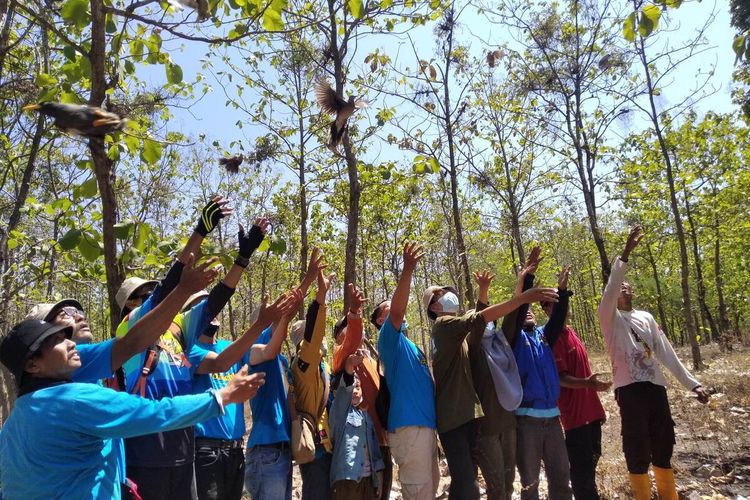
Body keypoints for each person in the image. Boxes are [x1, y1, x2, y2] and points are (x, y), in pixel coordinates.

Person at [0, 318, 266, 500]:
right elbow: (156, 412)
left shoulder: (12, 424)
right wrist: (223, 396)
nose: (70, 343)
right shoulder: (74, 399)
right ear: (32, 366)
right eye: (55, 341)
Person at [116, 211, 268, 500]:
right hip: (145, 449)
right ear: (130, 306)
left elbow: (216, 300)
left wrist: (243, 258)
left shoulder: (178, 330)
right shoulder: (129, 328)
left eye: (151, 291)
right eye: (144, 295)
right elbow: (166, 290)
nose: (154, 298)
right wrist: (200, 231)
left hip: (183, 450)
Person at [598, 225, 710, 500]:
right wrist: (624, 254)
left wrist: (693, 385)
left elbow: (666, 352)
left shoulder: (646, 317)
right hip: (629, 389)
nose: (624, 287)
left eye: (627, 284)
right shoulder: (609, 318)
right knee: (636, 447)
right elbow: (612, 285)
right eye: (619, 285)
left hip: (655, 388)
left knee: (663, 445)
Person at [424, 269, 558, 500]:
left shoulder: (481, 340)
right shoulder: (446, 327)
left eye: (447, 291)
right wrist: (522, 298)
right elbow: (479, 320)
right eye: (439, 295)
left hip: (473, 418)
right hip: (460, 421)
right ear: (433, 308)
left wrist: (488, 290)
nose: (447, 295)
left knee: (476, 485)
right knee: (474, 487)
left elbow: (485, 319)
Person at [188, 286, 301, 500]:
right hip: (205, 450)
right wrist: (261, 323)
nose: (212, 312)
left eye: (215, 306)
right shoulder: (190, 351)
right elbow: (220, 363)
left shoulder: (232, 348)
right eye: (203, 307)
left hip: (235, 451)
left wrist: (284, 317)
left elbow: (269, 351)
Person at [243, 249, 323, 500]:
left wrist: (309, 279)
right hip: (265, 453)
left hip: (282, 452)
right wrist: (307, 281)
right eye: (276, 319)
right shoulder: (255, 351)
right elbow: (272, 342)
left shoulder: (282, 363)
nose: (284, 322)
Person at [370, 242, 438, 500]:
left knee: (429, 491)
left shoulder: (411, 346)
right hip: (409, 429)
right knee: (418, 493)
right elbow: (397, 311)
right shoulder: (389, 339)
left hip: (427, 427)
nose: (399, 309)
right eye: (387, 308)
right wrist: (408, 269)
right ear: (380, 321)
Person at [510, 246, 573, 500]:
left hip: (553, 419)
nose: (529, 311)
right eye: (525, 309)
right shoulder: (513, 339)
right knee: (530, 484)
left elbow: (557, 318)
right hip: (527, 421)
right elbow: (517, 308)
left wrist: (562, 291)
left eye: (532, 309)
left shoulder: (544, 336)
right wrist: (528, 277)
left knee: (561, 479)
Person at [546, 267, 611, 500]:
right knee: (582, 473)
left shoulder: (572, 332)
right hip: (575, 418)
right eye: (557, 303)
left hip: (592, 413)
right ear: (547, 309)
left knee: (592, 464)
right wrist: (586, 383)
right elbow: (561, 378)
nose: (564, 307)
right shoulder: (551, 339)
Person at [332, 284, 392, 500]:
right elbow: (352, 340)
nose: (357, 331)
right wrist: (354, 313)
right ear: (340, 337)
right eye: (348, 328)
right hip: (359, 446)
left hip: (381, 442)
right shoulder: (341, 357)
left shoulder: (371, 360)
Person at [469, 271, 524, 500]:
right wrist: (483, 291)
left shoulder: (501, 342)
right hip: (486, 429)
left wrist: (522, 281)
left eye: (493, 321)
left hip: (508, 424)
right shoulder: (472, 349)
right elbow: (478, 323)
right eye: (485, 321)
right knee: (497, 488)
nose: (489, 324)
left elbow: (513, 315)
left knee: (509, 484)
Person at [291, 252, 335, 500]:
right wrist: (321, 296)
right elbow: (314, 335)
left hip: (327, 447)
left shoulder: (322, 367)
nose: (322, 341)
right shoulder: (304, 363)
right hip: (314, 450)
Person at [329, 352, 385, 500]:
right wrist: (350, 364)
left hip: (368, 481)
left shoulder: (366, 416)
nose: (355, 390)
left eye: (358, 386)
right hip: (347, 481)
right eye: (352, 386)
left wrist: (378, 475)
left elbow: (375, 450)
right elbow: (345, 386)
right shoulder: (340, 411)